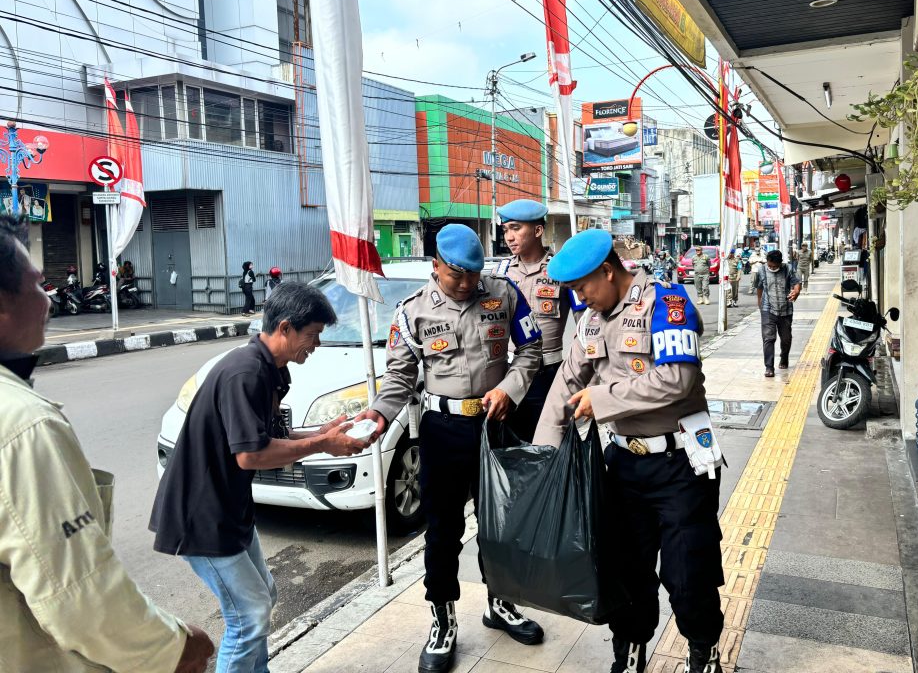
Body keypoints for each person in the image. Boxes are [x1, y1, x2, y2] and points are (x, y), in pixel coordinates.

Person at [0, 214, 215, 673]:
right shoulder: (23, 425)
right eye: (39, 287)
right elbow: (78, 595)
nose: (49, 302)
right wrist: (174, 646)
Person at [150, 282, 372, 673]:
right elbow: (251, 455)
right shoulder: (245, 372)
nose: (315, 345)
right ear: (285, 327)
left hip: (230, 510)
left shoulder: (270, 369)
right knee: (249, 615)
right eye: (312, 335)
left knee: (263, 596)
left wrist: (327, 433)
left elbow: (273, 438)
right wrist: (323, 445)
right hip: (202, 516)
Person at [353, 224, 544, 673]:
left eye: (474, 276)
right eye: (457, 275)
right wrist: (379, 415)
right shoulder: (411, 312)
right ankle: (443, 620)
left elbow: (531, 349)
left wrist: (511, 389)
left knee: (502, 524)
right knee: (443, 532)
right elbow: (400, 378)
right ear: (435, 265)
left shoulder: (504, 294)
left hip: (495, 424)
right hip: (443, 430)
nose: (467, 285)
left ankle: (501, 605)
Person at [534, 229, 725, 673]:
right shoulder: (590, 319)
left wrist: (601, 400)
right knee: (626, 572)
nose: (580, 297)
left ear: (607, 271)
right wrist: (546, 454)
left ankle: (704, 650)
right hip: (622, 466)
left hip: (680, 463)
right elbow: (568, 380)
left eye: (583, 287)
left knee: (688, 574)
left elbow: (678, 379)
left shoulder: (667, 302)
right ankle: (631, 650)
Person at [494, 199, 573, 442]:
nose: (509, 237)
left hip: (548, 374)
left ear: (538, 231)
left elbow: (585, 323)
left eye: (516, 228)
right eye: (506, 229)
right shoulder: (502, 271)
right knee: (511, 447)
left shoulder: (561, 269)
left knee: (547, 444)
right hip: (509, 373)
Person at [752, 250, 802, 378]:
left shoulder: (788, 269)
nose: (772, 268)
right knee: (768, 338)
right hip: (767, 309)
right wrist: (760, 305)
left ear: (780, 263)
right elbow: (759, 288)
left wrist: (796, 291)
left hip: (785, 309)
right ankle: (769, 367)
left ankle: (784, 357)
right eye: (770, 265)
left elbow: (796, 283)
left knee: (786, 338)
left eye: (775, 266)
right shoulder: (762, 270)